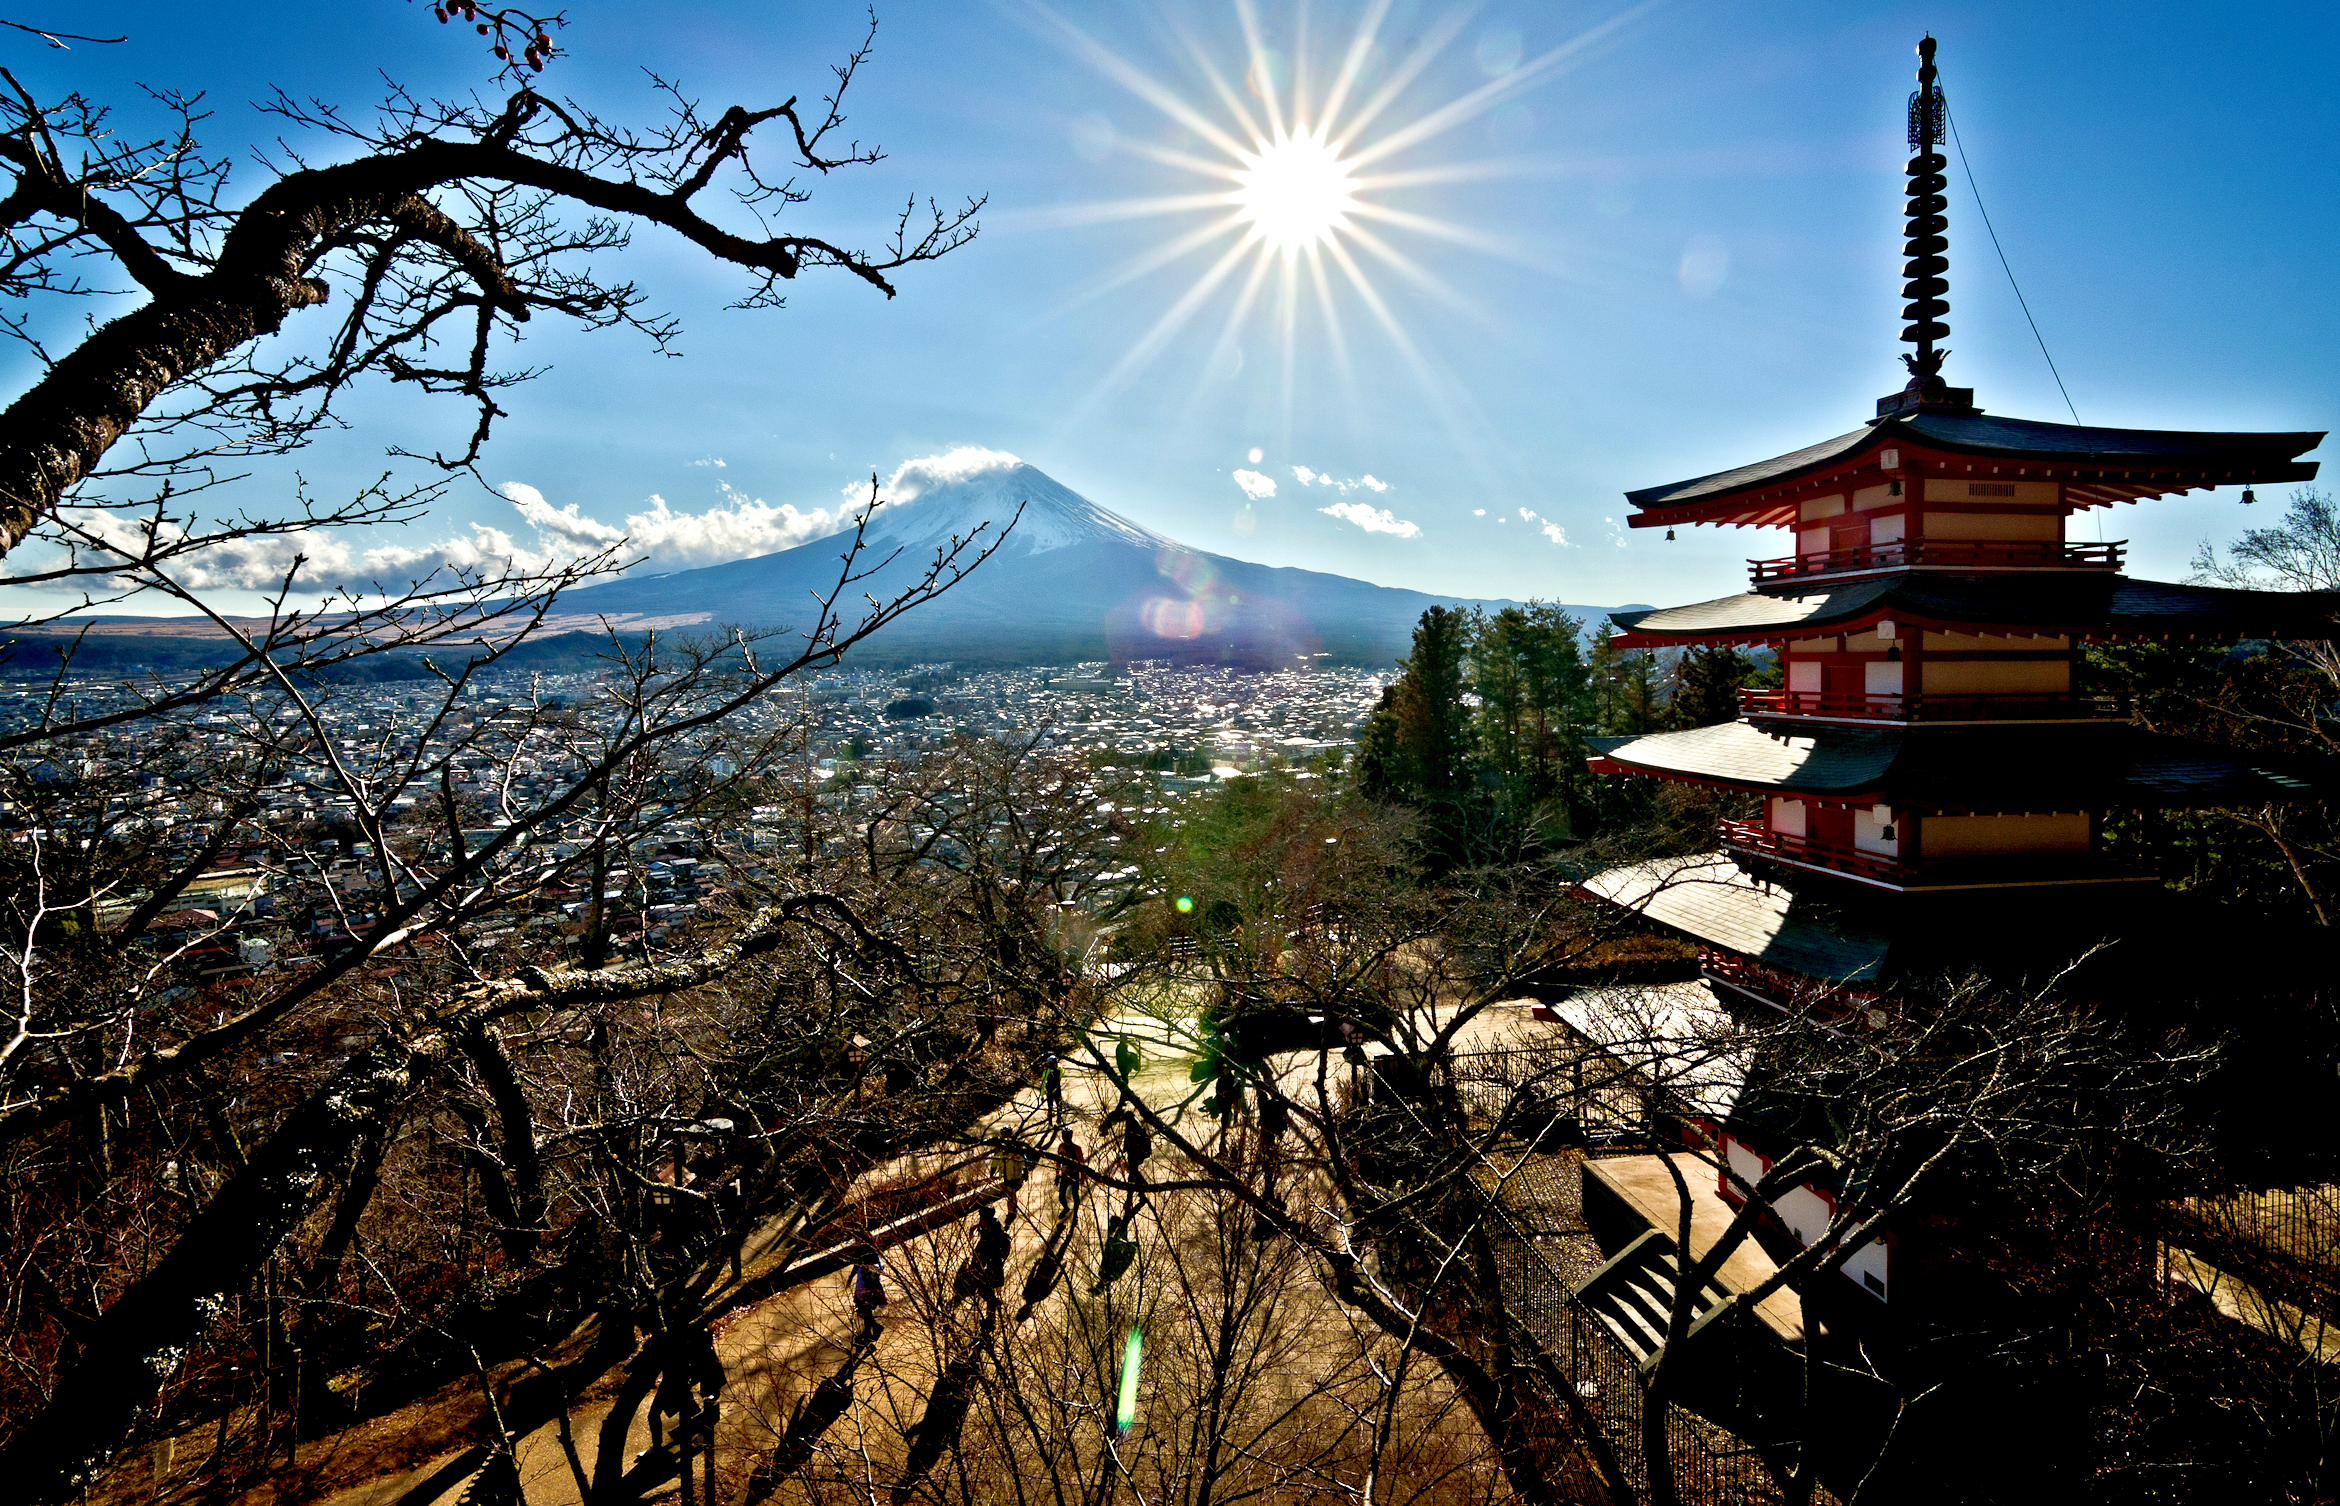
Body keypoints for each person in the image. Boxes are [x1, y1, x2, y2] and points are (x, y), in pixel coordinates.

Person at [849, 1247, 888, 1335]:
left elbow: (879, 1268)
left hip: (868, 1289)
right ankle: (871, 1328)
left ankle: (872, 1328)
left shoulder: (872, 1256)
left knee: (865, 1309)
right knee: (864, 1310)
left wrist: (869, 1269)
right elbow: (856, 1265)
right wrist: (850, 1277)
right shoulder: (862, 1258)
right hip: (861, 1287)